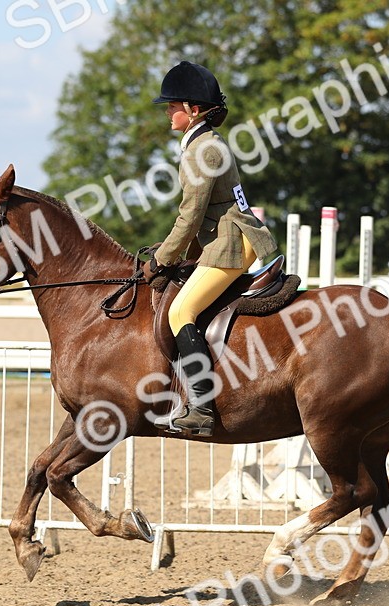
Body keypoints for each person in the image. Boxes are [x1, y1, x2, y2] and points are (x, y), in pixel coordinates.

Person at [148, 61, 280, 437]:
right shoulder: (203, 143)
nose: (168, 112)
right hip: (225, 239)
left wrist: (162, 259)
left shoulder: (203, 150)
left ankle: (202, 407)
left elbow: (190, 215)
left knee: (181, 311)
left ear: (193, 110)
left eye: (173, 106)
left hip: (231, 243)